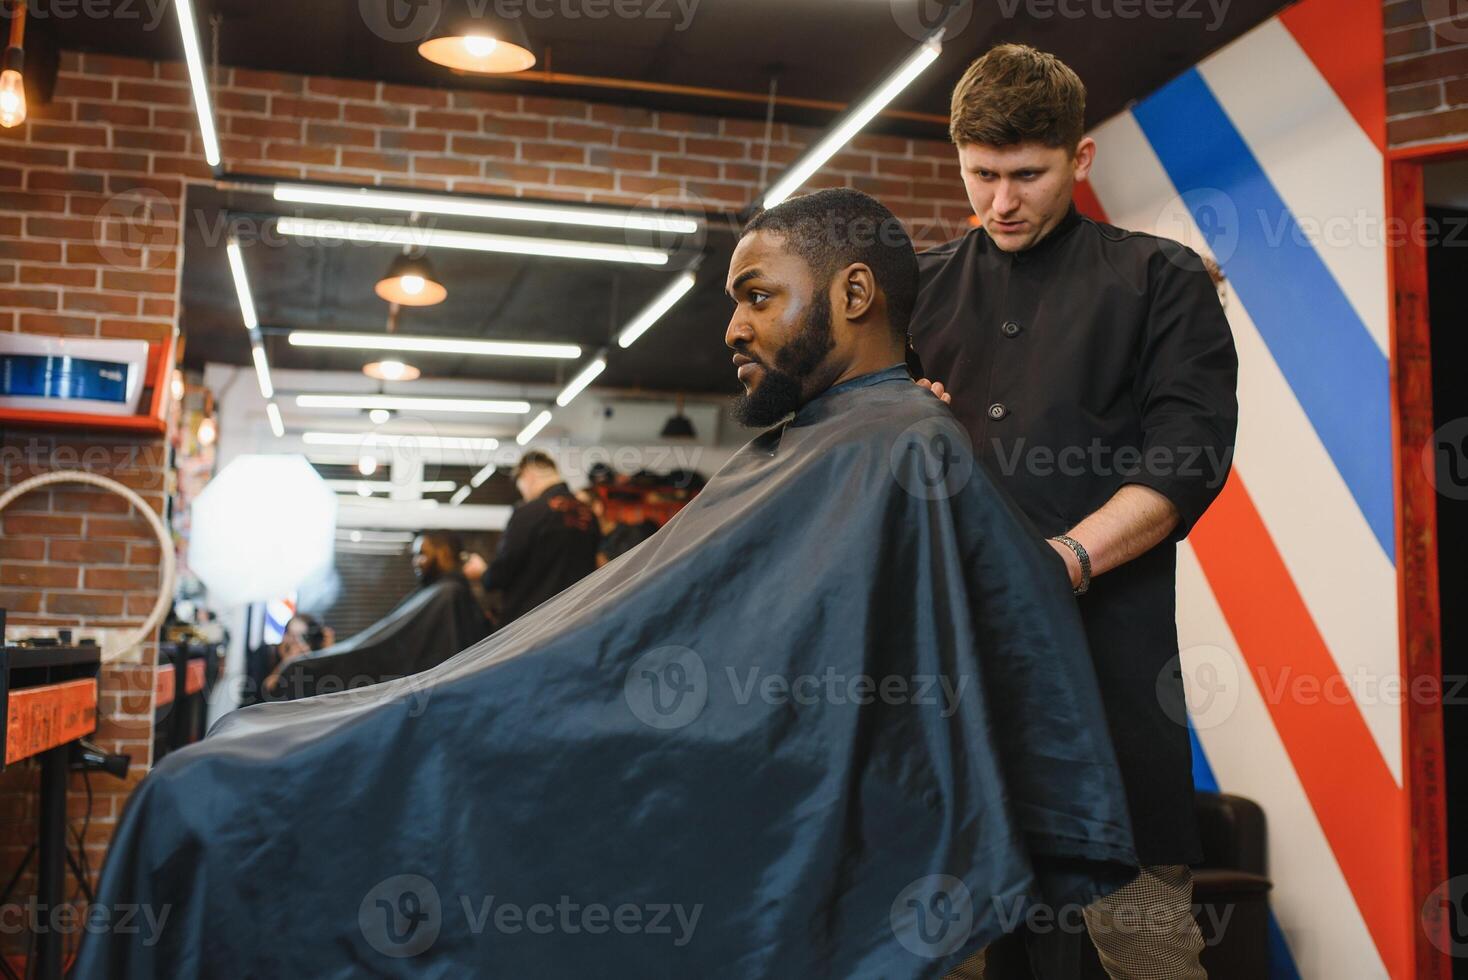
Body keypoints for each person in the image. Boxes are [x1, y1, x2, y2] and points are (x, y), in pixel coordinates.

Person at [77, 189, 1136, 979]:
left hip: (611, 755)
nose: (731, 327)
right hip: (550, 716)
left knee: (201, 800)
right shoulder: (834, 446)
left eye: (756, 296)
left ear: (854, 293)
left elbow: (956, 664)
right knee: (224, 769)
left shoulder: (901, 448)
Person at [910, 44, 1239, 980]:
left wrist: (1062, 562)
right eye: (981, 175)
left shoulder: (1161, 283)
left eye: (1028, 175)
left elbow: (1187, 461)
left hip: (1109, 685)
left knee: (1147, 960)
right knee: (955, 959)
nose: (1001, 201)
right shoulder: (916, 293)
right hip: (950, 696)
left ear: (1079, 159)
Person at [269, 531, 489, 700]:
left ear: (442, 554)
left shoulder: (447, 595)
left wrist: (303, 667)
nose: (415, 562)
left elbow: (389, 647)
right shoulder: (441, 593)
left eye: (422, 554)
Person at [463, 451, 599, 625]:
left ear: (527, 474)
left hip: (530, 627)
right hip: (574, 622)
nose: (522, 492)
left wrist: (483, 573)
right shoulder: (588, 515)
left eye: (520, 484)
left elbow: (501, 573)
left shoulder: (529, 513)